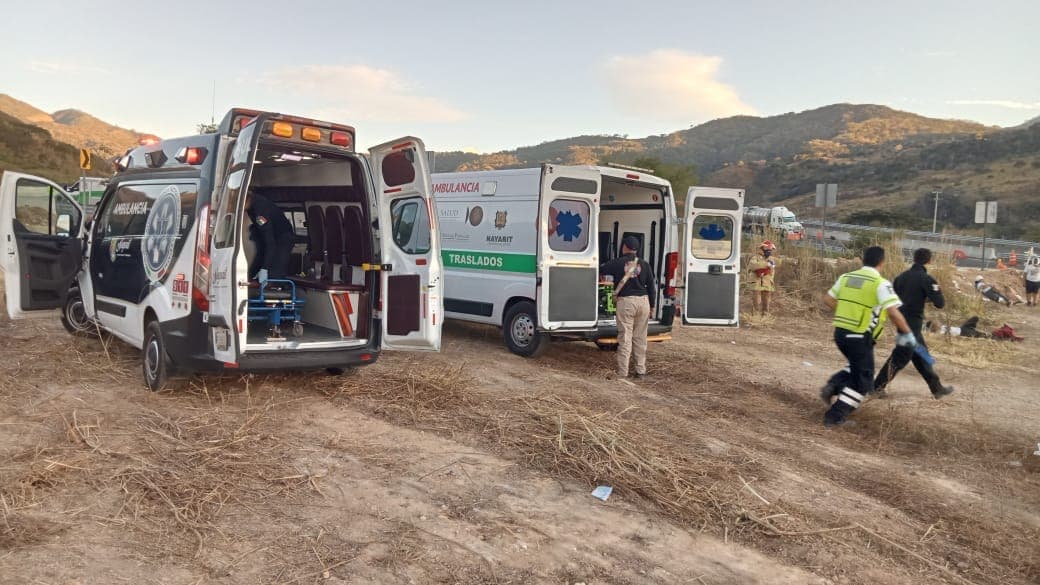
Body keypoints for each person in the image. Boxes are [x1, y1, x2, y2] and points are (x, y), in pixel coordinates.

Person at [819, 246, 918, 427]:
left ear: (863, 259)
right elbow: (894, 313)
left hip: (840, 333)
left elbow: (828, 299)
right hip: (859, 335)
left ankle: (833, 385)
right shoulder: (880, 283)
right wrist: (908, 333)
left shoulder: (846, 277)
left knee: (856, 366)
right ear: (882, 262)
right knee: (863, 382)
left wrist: (846, 313)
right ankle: (834, 417)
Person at [873, 249, 955, 399]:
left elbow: (893, 299)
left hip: (900, 320)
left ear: (914, 259)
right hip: (913, 324)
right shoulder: (927, 279)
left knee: (921, 355)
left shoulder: (900, 278)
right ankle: (876, 386)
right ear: (929, 261)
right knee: (901, 356)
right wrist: (931, 295)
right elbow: (940, 303)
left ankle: (936, 388)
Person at [600, 236, 656, 380]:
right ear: (637, 249)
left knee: (625, 337)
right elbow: (651, 286)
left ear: (624, 247)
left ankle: (623, 373)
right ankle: (640, 371)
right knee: (640, 338)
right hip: (643, 301)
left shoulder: (617, 263)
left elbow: (601, 269)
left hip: (626, 302)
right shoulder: (645, 264)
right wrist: (653, 306)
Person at [245, 192, 294, 283]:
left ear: (246, 200)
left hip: (283, 238)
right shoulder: (252, 207)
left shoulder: (260, 210)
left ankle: (275, 289)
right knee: (254, 270)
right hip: (271, 237)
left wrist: (264, 268)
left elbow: (270, 241)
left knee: (274, 274)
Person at [747, 240, 778, 315]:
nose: (769, 251)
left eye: (770, 250)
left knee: (766, 299)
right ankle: (755, 315)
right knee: (756, 299)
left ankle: (765, 314)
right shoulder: (755, 257)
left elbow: (778, 264)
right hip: (756, 281)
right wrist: (766, 264)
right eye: (767, 249)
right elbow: (753, 266)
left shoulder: (772, 259)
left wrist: (794, 261)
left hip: (767, 281)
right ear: (762, 249)